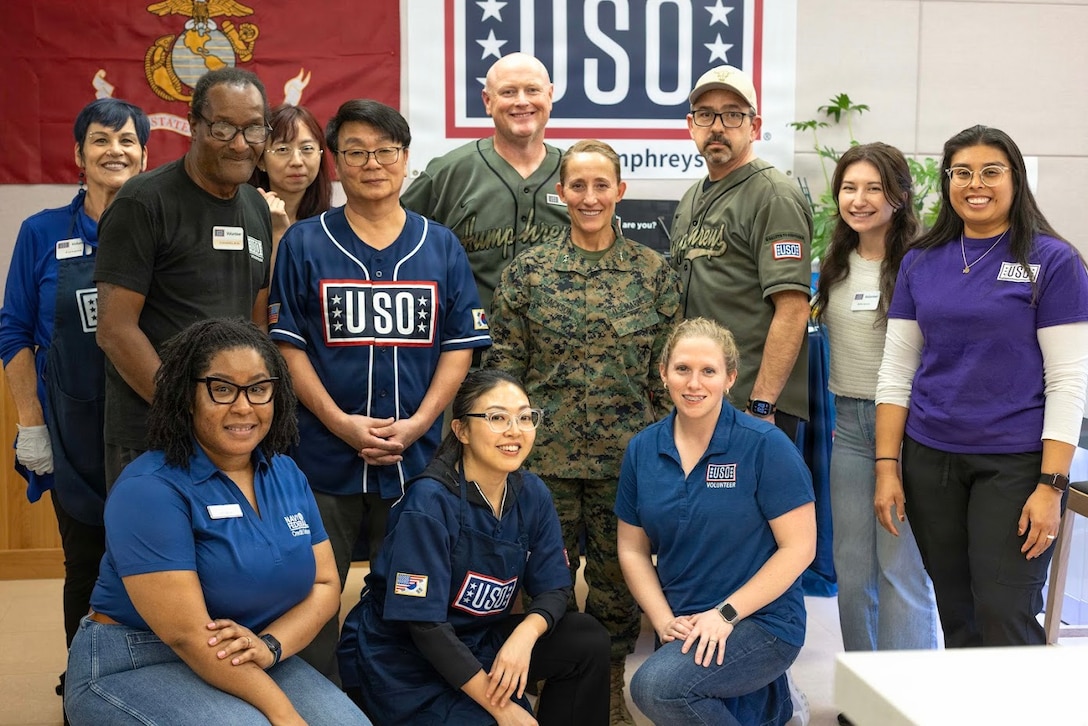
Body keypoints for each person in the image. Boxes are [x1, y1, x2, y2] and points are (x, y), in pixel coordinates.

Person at [269, 99, 491, 681]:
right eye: (356, 153)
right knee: (309, 596)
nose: (372, 163)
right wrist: (342, 423)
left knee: (413, 596)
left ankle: (401, 701)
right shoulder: (303, 244)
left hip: (415, 461)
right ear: (335, 164)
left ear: (405, 159)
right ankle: (316, 708)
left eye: (385, 151)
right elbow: (288, 347)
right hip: (321, 457)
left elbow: (459, 347)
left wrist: (419, 422)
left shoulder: (440, 245)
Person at [63, 318, 369, 725]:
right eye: (221, 389)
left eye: (259, 389)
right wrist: (285, 716)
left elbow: (326, 584)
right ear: (188, 397)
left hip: (246, 650)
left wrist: (270, 647)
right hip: (136, 658)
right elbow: (187, 635)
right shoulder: (148, 489)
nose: (243, 407)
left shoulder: (286, 473)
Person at [485, 139, 680, 724]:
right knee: (543, 579)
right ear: (560, 192)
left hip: (625, 465)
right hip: (544, 464)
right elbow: (504, 367)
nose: (590, 197)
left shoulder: (652, 273)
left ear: (621, 191)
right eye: (578, 186)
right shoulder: (529, 270)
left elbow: (662, 378)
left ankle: (612, 685)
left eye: (602, 186)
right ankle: (546, 681)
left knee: (621, 581)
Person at [874, 125, 1088, 648]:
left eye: (991, 171)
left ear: (1015, 179)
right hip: (930, 460)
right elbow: (898, 369)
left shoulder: (1054, 261)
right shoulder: (921, 260)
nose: (976, 183)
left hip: (1016, 464)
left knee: (1005, 612)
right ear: (947, 181)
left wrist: (1052, 485)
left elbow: (1068, 380)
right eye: (962, 172)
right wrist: (886, 466)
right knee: (958, 613)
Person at [338, 369, 610, 726]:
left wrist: (525, 635)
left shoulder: (532, 494)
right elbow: (426, 627)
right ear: (461, 430)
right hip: (406, 660)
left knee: (586, 638)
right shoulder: (429, 503)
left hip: (477, 639)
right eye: (497, 417)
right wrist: (501, 707)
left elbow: (555, 586)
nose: (515, 430)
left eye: (525, 417)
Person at [0, 98, 149, 709]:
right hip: (74, 431)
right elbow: (14, 332)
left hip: (148, 430)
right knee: (85, 563)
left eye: (127, 140)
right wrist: (30, 424)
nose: (115, 149)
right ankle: (83, 686)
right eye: (101, 140)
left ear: (146, 153)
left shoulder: (159, 227)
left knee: (154, 563)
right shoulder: (42, 232)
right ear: (79, 155)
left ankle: (151, 684)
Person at [616, 318, 816, 726]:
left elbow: (800, 548)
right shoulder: (642, 450)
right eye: (682, 369)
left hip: (761, 619)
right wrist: (662, 620)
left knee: (656, 688)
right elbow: (632, 549)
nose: (694, 383)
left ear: (730, 378)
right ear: (663, 374)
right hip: (684, 619)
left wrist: (725, 614)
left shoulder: (764, 445)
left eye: (708, 371)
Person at [94, 66, 274, 488]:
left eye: (253, 130)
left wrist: (243, 413)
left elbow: (257, 323)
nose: (240, 144)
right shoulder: (142, 202)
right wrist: (190, 412)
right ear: (193, 125)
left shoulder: (257, 208)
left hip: (231, 436)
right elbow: (115, 329)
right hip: (153, 437)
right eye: (224, 127)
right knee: (161, 556)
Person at [813, 143, 938, 659]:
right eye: (848, 187)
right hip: (849, 425)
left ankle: (904, 704)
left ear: (901, 195)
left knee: (900, 568)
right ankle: (864, 699)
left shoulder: (924, 262)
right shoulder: (836, 261)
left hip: (908, 429)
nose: (858, 199)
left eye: (873, 187)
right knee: (853, 563)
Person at [669, 66, 813, 440]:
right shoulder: (690, 199)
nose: (717, 126)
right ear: (691, 125)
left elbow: (793, 308)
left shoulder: (772, 195)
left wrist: (762, 405)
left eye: (733, 114)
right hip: (703, 400)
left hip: (753, 407)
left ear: (754, 126)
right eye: (705, 114)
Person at [401, 52, 569, 324]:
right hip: (469, 351)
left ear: (550, 95)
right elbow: (393, 242)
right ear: (488, 101)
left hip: (557, 356)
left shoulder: (578, 175)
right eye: (508, 92)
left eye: (533, 90)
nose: (522, 101)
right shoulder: (446, 173)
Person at [249, 103, 333, 262]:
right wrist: (277, 232)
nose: (297, 161)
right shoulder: (244, 219)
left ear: (320, 155)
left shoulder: (333, 225)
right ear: (261, 161)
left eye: (307, 149)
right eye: (282, 149)